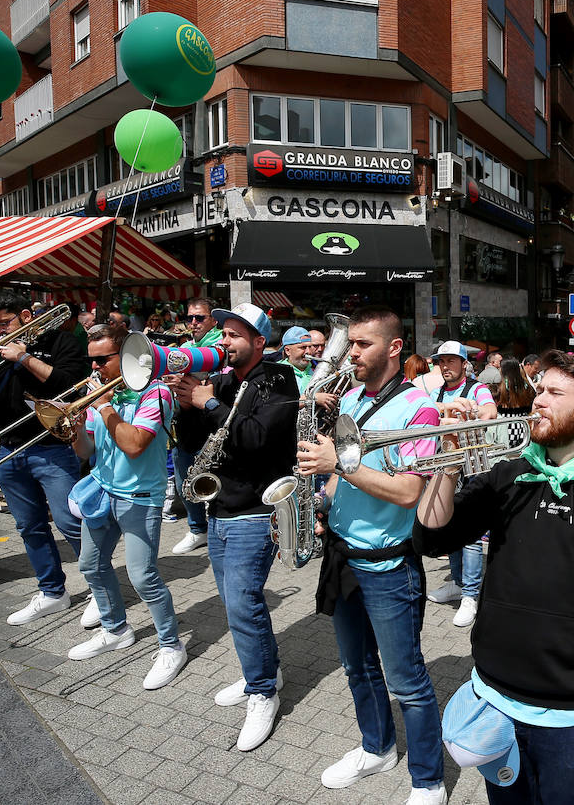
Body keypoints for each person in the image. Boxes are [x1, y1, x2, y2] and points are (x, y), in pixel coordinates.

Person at [413, 349, 574, 804]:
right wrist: (446, 462)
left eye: (553, 393)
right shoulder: (508, 476)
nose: (538, 400)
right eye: (538, 389)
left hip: (572, 713)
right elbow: (431, 538)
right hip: (493, 699)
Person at [296, 306, 446, 804]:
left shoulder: (420, 409)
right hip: (342, 557)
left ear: (394, 348)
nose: (349, 353)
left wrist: (337, 461)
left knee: (408, 682)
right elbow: (343, 471)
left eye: (362, 345)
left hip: (388, 567)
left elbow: (408, 492)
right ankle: (376, 747)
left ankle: (428, 779)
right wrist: (321, 500)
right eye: (350, 343)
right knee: (356, 667)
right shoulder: (352, 399)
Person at [173, 303, 297, 751]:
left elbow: (257, 440)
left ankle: (263, 692)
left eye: (235, 334)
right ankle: (263, 671)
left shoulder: (280, 380)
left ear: (260, 343)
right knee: (234, 605)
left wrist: (206, 402)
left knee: (244, 605)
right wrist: (184, 402)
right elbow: (190, 443)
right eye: (222, 333)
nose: (224, 341)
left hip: (254, 513)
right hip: (219, 511)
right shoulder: (221, 381)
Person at [69, 325, 186, 691]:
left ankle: (172, 645)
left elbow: (134, 445)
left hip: (139, 497)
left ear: (129, 356)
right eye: (91, 360)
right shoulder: (102, 397)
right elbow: (86, 453)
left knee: (142, 576)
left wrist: (102, 407)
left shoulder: (157, 393)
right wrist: (73, 427)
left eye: (102, 360)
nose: (94, 367)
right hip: (103, 492)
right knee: (90, 565)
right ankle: (115, 629)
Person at [0, 293, 92, 628]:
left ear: (25, 315)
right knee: (30, 527)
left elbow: (69, 387)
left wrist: (25, 359)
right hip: (10, 448)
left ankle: (101, 589)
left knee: (71, 523)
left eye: (5, 323)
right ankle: (52, 592)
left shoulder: (62, 341)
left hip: (51, 447)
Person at [423, 340, 497, 629]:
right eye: (442, 361)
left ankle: (470, 594)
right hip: (445, 465)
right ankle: (456, 582)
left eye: (451, 361)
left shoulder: (477, 388)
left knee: (471, 533)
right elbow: (425, 413)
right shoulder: (436, 391)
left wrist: (466, 411)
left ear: (464, 364)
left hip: (473, 466)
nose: (445, 366)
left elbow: (489, 413)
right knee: (447, 526)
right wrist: (445, 406)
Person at [169, 297, 224, 555]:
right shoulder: (185, 347)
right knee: (184, 481)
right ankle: (196, 529)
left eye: (199, 317)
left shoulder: (220, 346)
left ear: (213, 320)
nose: (193, 322)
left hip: (209, 426)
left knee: (214, 480)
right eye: (190, 317)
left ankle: (215, 530)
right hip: (185, 424)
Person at [280, 325, 314, 392]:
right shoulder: (278, 372)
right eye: (303, 347)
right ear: (288, 351)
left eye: (310, 347)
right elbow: (281, 401)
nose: (308, 352)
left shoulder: (315, 372)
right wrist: (314, 398)